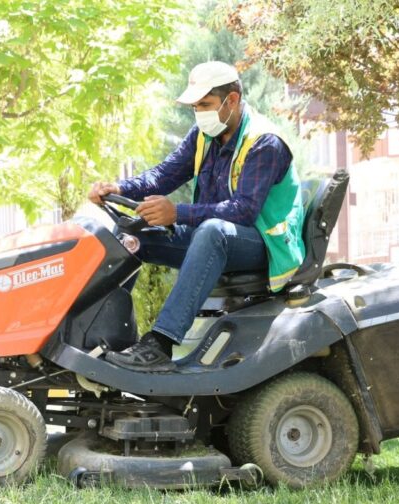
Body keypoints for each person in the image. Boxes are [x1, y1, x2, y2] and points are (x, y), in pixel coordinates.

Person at [86, 60, 306, 371]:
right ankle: (102, 334)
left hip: (265, 247)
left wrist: (177, 213)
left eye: (206, 104)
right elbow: (164, 176)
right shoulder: (204, 135)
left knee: (212, 230)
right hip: (215, 240)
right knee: (128, 237)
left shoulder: (264, 142)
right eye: (195, 106)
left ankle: (161, 344)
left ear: (232, 100)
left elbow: (243, 210)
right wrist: (117, 186)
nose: (199, 112)